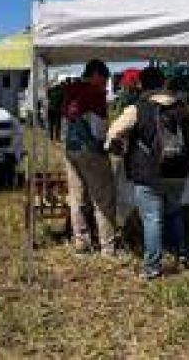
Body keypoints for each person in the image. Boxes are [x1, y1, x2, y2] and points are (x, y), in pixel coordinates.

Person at [106, 66, 189, 280]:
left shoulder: (137, 108)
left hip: (147, 172)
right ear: (163, 83)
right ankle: (181, 256)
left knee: (152, 219)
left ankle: (152, 267)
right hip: (178, 171)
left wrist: (119, 149)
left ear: (142, 85)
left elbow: (113, 133)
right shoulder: (182, 107)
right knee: (174, 213)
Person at [62, 59, 119, 257]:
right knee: (103, 198)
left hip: (71, 149)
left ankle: (81, 243)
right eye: (103, 79)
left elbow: (64, 122)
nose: (105, 84)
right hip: (91, 151)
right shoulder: (95, 94)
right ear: (95, 75)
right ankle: (108, 247)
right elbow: (100, 130)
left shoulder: (70, 90)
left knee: (77, 198)